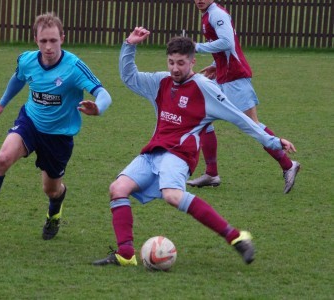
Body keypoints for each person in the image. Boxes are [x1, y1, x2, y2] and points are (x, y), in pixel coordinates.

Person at [93, 27, 297, 267]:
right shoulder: (161, 82)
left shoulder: (205, 88)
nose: (175, 68)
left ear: (192, 61)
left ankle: (236, 237)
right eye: (171, 62)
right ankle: (125, 254)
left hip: (178, 156)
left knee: (172, 195)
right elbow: (129, 77)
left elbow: (240, 119)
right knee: (117, 188)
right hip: (153, 153)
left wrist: (273, 141)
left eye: (181, 63)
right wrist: (129, 45)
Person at [0, 12, 112, 240]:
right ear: (36, 39)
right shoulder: (27, 60)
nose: (48, 47)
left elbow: (104, 94)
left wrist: (99, 107)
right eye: (43, 41)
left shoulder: (74, 67)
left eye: (53, 40)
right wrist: (2, 103)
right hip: (30, 122)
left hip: (58, 136)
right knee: (2, 159)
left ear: (62, 38)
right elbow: (18, 78)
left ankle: (54, 212)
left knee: (51, 189)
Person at [187, 0, 300, 193]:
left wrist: (195, 47)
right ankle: (211, 173)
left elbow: (227, 42)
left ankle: (288, 165)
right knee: (201, 119)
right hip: (225, 76)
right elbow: (227, 47)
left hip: (236, 79)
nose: (199, 0)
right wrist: (217, 65)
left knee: (253, 125)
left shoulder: (217, 15)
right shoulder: (208, 14)